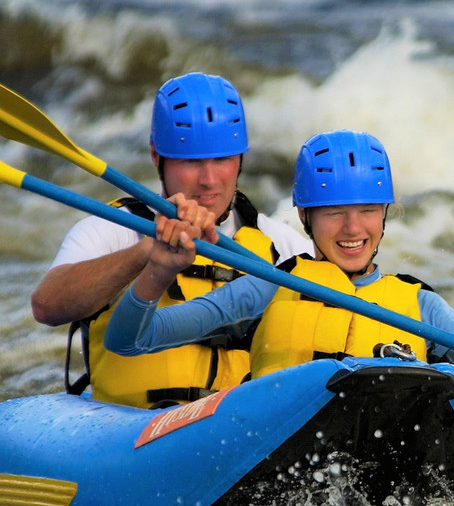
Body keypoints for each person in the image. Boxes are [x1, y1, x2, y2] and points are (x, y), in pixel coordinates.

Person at [103, 129, 454, 413]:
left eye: (368, 211)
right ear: (305, 217)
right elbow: (129, 341)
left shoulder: (421, 306)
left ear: (385, 214)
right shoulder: (268, 285)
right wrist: (158, 271)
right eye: (334, 212)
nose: (353, 228)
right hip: (279, 466)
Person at [31, 72, 312, 408]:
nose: (209, 180)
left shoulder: (281, 244)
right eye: (191, 161)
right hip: (130, 429)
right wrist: (147, 253)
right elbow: (46, 306)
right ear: (155, 155)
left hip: (237, 429)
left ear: (240, 158)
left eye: (222, 159)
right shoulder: (114, 229)